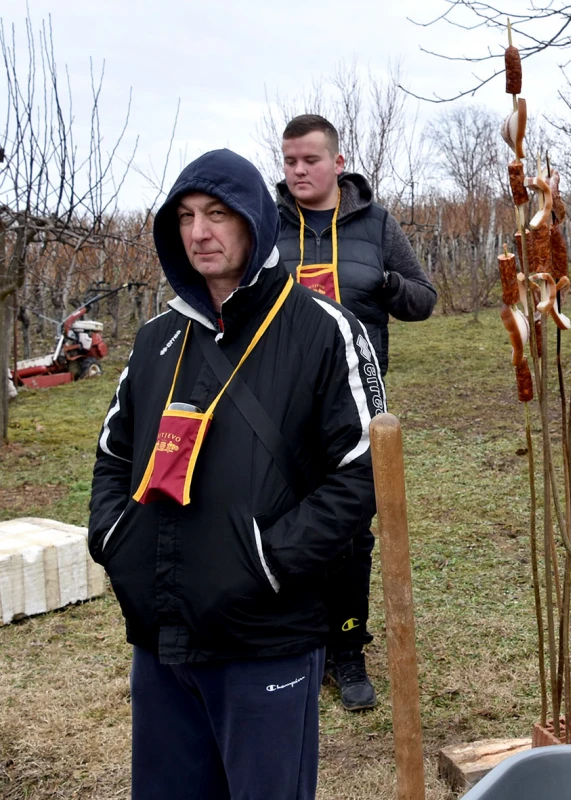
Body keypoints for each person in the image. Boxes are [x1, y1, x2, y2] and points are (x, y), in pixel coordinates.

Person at [87, 149, 385, 799]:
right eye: (187, 216)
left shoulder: (322, 330)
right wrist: (116, 542)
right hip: (162, 639)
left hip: (264, 639)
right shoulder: (156, 339)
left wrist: (264, 565)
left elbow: (362, 475)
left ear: (252, 222)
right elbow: (113, 455)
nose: (200, 232)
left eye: (218, 214)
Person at [276, 113, 435, 710]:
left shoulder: (377, 224)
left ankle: (346, 651)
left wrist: (382, 283)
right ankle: (300, 645)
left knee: (348, 531)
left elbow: (424, 300)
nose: (297, 171)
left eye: (309, 160)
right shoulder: (266, 224)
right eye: (289, 160)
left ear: (337, 163)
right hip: (281, 405)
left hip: (357, 406)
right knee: (285, 519)